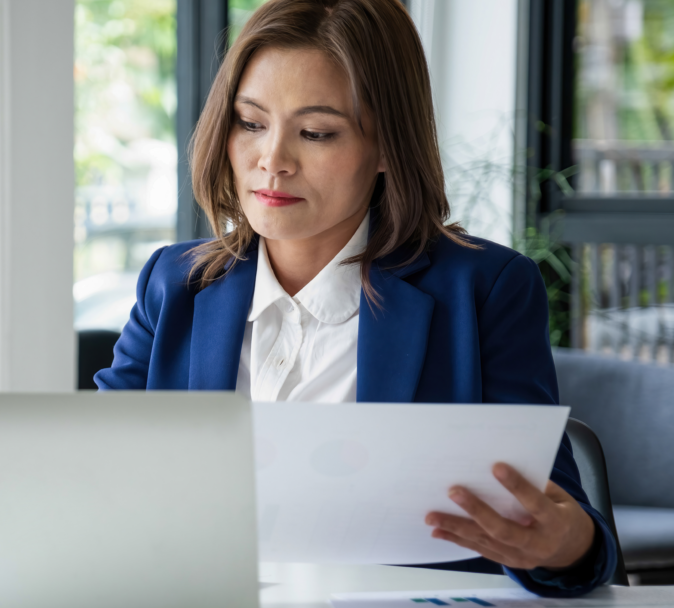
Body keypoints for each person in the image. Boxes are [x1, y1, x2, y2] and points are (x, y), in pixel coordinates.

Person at [94, 0, 617, 597]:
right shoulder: (175, 283)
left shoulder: (483, 290)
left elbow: (564, 525)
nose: (272, 161)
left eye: (316, 132)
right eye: (251, 122)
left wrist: (564, 542)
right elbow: (97, 472)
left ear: (389, 146)